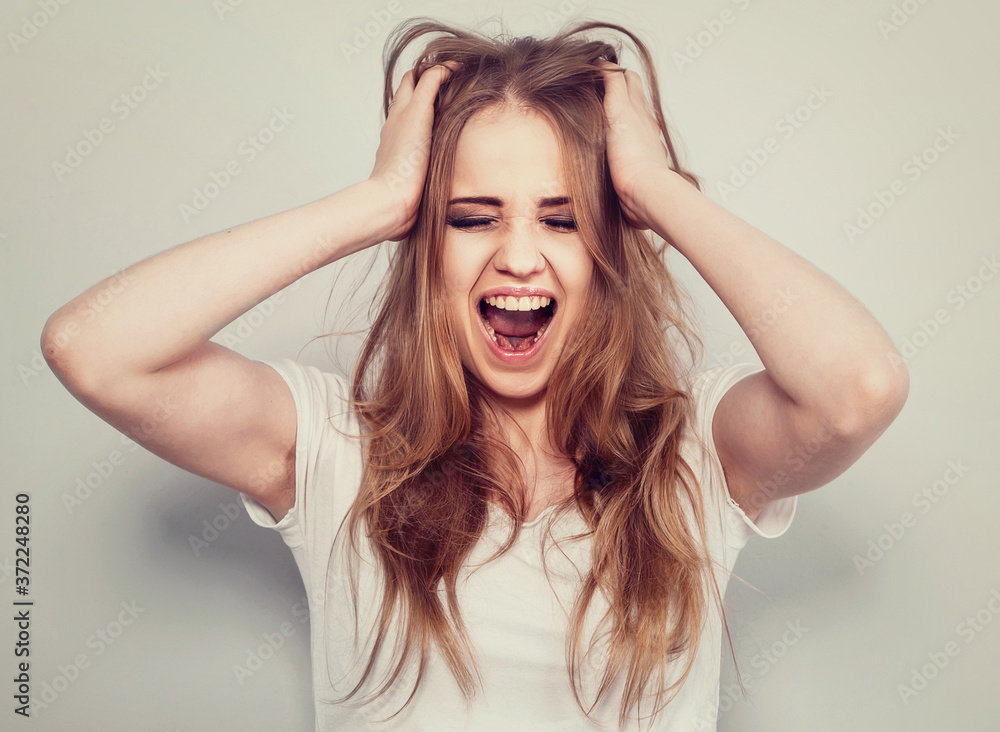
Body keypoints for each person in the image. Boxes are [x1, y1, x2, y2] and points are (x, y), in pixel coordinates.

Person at [41, 17, 908, 731]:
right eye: (471, 217)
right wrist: (378, 201)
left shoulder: (696, 460)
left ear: (613, 246)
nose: (520, 257)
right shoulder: (337, 451)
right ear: (427, 240)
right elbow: (94, 348)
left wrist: (656, 192)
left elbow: (859, 389)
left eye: (564, 220)